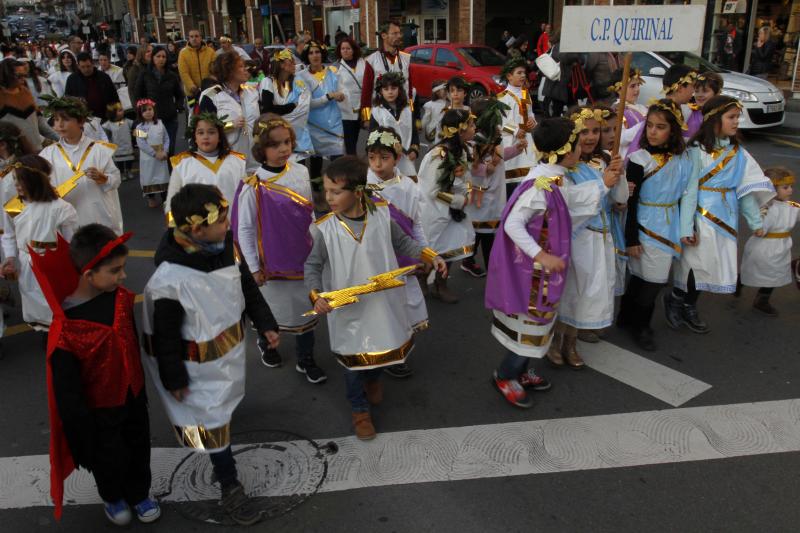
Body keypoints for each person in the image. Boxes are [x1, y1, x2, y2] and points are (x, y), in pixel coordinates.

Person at [142, 183, 279, 526]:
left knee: (222, 413)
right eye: (221, 220)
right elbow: (166, 335)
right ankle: (229, 484)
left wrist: (265, 323)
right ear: (196, 229)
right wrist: (173, 377)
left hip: (226, 359)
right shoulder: (169, 280)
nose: (228, 225)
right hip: (197, 370)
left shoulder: (224, 247)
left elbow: (245, 285)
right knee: (214, 424)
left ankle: (224, 462)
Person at [304, 156, 446, 440]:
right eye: (327, 191)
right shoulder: (325, 228)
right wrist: (316, 295)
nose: (328, 197)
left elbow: (403, 242)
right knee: (352, 358)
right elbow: (313, 265)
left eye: (335, 191)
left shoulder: (381, 215)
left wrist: (431, 254)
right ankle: (359, 411)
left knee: (381, 346)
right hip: (348, 308)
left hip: (382, 302)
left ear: (357, 192)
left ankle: (373, 378)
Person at [30, 223, 160, 525]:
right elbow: (68, 392)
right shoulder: (67, 329)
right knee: (108, 457)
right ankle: (113, 496)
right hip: (99, 410)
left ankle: (140, 492)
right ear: (88, 275)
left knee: (139, 446)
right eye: (115, 270)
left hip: (132, 395)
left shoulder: (121, 298)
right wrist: (80, 435)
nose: (123, 276)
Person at [486, 117, 615, 408]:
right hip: (530, 276)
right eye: (578, 143)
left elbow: (569, 202)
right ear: (566, 150)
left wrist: (603, 186)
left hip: (542, 277)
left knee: (542, 326)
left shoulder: (555, 177)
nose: (583, 147)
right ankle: (506, 374)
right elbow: (513, 224)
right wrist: (540, 255)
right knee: (529, 329)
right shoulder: (540, 186)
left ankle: (524, 370)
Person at [666, 96, 775, 333]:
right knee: (693, 265)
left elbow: (744, 190)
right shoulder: (695, 151)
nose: (737, 121)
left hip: (725, 218)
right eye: (731, 117)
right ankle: (676, 299)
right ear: (714, 119)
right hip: (699, 217)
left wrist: (755, 221)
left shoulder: (738, 153)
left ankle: (690, 304)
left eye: (737, 117)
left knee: (711, 264)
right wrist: (686, 227)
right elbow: (689, 191)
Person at [232, 118, 324, 380]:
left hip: (303, 257)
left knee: (307, 309)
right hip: (270, 264)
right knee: (273, 311)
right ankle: (267, 343)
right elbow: (246, 229)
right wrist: (252, 267)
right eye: (275, 145)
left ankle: (306, 359)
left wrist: (319, 245)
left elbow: (309, 213)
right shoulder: (253, 184)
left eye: (287, 142)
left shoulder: (301, 172)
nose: (283, 148)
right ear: (261, 149)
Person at [551, 107, 625, 368]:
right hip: (579, 239)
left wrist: (619, 174)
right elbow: (570, 204)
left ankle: (571, 344)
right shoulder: (566, 168)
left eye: (596, 131)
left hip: (602, 239)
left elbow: (619, 199)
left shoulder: (602, 161)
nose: (591, 137)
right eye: (584, 132)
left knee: (589, 296)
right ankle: (555, 341)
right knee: (572, 292)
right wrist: (602, 183)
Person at [616, 99, 690, 351]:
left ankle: (626, 318)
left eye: (661, 127)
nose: (653, 132)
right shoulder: (639, 159)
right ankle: (641, 326)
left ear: (673, 131)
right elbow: (631, 200)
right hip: (645, 223)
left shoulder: (683, 158)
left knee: (642, 277)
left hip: (670, 222)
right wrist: (632, 238)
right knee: (652, 279)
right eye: (650, 126)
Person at [366, 126, 428, 379]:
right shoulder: (361, 186)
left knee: (403, 305)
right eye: (372, 158)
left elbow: (417, 223)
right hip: (373, 259)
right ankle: (381, 350)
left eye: (384, 158)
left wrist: (424, 254)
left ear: (397, 158)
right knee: (379, 307)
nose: (377, 164)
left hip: (401, 258)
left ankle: (398, 352)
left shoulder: (409, 188)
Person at [0, 154, 78, 330]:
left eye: (21, 181)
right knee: (34, 299)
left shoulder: (60, 208)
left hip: (54, 263)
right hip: (27, 263)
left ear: (36, 180)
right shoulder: (13, 207)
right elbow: (9, 236)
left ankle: (58, 331)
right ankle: (45, 331)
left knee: (56, 299)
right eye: (14, 180)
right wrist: (11, 257)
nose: (16, 185)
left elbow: (71, 241)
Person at [39, 96, 123, 235]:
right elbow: (42, 185)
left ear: (81, 121)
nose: (59, 125)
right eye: (56, 120)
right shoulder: (47, 154)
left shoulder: (99, 149)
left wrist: (104, 178)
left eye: (65, 119)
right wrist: (48, 191)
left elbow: (116, 179)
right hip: (68, 220)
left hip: (99, 215)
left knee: (102, 252)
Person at [461, 97, 524, 279]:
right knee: (485, 232)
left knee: (484, 231)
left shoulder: (496, 135)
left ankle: (469, 259)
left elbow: (502, 155)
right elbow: (468, 164)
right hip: (481, 192)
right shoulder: (473, 139)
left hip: (496, 190)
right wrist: (484, 169)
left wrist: (518, 149)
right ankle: (493, 273)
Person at [418, 109, 477, 303]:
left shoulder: (462, 149)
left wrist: (467, 192)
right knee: (432, 250)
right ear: (459, 131)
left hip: (454, 212)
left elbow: (466, 178)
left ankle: (440, 286)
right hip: (437, 212)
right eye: (470, 125)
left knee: (451, 247)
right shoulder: (439, 156)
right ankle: (420, 283)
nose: (474, 128)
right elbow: (433, 190)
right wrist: (459, 201)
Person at [739, 167, 799, 316]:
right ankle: (739, 282)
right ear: (771, 189)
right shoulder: (765, 207)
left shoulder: (792, 206)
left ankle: (762, 300)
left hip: (782, 247)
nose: (790, 190)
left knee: (775, 275)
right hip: (763, 247)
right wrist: (760, 225)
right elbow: (759, 227)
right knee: (754, 270)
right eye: (785, 187)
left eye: (791, 187)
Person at [167, 112, 246, 211]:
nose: (206, 137)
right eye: (200, 133)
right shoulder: (182, 163)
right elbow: (172, 198)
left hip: (231, 223)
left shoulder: (236, 161)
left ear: (220, 137)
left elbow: (245, 197)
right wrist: (174, 224)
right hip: (197, 225)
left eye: (211, 132)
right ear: (195, 138)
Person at [199, 52, 260, 172]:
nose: (245, 69)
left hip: (254, 161)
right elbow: (204, 131)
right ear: (229, 71)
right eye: (241, 66)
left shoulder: (251, 93)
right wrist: (231, 124)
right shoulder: (211, 96)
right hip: (226, 162)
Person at [298, 40, 345, 181]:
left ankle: (337, 186)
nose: (314, 55)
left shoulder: (333, 72)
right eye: (311, 53)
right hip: (314, 125)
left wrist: (342, 96)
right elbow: (307, 104)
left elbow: (343, 92)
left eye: (317, 52)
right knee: (316, 161)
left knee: (338, 160)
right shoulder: (301, 76)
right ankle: (317, 191)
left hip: (334, 123)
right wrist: (329, 96)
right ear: (307, 56)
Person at [258, 49, 314, 160]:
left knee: (298, 166)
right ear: (282, 65)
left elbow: (304, 104)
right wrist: (292, 106)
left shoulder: (294, 82)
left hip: (296, 132)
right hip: (276, 132)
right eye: (291, 62)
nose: (294, 65)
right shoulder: (268, 82)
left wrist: (284, 111)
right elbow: (268, 109)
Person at [360, 21, 414, 126]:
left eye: (399, 33)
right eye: (394, 33)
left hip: (403, 112)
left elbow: (409, 89)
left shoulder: (406, 58)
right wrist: (366, 117)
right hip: (381, 113)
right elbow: (366, 90)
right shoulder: (372, 60)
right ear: (384, 35)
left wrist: (412, 111)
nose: (399, 36)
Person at [133, 46, 184, 157]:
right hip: (151, 120)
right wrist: (143, 110)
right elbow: (137, 95)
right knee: (154, 151)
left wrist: (177, 107)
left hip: (170, 119)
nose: (161, 59)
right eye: (158, 56)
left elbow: (180, 95)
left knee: (169, 151)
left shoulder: (172, 76)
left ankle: (171, 173)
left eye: (164, 56)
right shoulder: (145, 74)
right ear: (153, 58)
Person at [497, 57, 537, 197]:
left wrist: (533, 122)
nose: (523, 76)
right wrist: (514, 130)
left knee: (529, 179)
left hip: (527, 141)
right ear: (509, 76)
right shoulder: (502, 97)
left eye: (524, 73)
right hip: (511, 143)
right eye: (519, 73)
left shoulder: (526, 94)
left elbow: (530, 113)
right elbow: (500, 123)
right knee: (512, 181)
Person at [368, 72, 418, 179]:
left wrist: (414, 150)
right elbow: (372, 137)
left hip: (406, 157)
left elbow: (414, 133)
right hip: (385, 159)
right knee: (386, 189)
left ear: (399, 89)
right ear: (381, 91)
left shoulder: (407, 109)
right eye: (386, 89)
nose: (390, 92)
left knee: (408, 188)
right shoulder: (377, 111)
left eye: (393, 88)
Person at [0, 60, 57, 152]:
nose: (23, 79)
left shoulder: (25, 92)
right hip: (13, 156)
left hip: (37, 150)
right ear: (6, 75)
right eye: (19, 76)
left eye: (24, 75)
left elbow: (41, 124)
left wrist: (61, 140)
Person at [134, 99, 170, 208]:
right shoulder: (139, 127)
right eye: (144, 111)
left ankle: (165, 199)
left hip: (161, 155)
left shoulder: (160, 123)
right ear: (140, 114)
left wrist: (165, 151)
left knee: (163, 177)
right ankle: (151, 197)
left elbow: (166, 138)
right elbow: (141, 143)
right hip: (148, 158)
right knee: (149, 177)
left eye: (150, 109)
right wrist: (154, 154)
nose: (148, 112)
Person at [65, 52, 120, 121]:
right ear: (78, 66)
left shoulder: (104, 77)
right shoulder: (72, 79)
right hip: (83, 119)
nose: (86, 70)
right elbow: (67, 98)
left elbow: (114, 97)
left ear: (93, 64)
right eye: (83, 67)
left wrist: (117, 113)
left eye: (88, 66)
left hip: (105, 117)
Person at [335, 37, 365, 156]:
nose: (345, 51)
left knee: (359, 137)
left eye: (348, 48)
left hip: (363, 107)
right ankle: (352, 165)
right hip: (346, 110)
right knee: (350, 142)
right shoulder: (337, 68)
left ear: (353, 50)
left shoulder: (363, 63)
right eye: (343, 49)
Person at [177, 30, 215, 106]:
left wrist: (210, 86)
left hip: (209, 91)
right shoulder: (183, 53)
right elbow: (183, 73)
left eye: (196, 36)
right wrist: (193, 88)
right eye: (191, 37)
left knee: (210, 114)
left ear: (201, 38)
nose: (194, 39)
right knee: (193, 115)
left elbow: (214, 70)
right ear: (189, 39)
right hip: (192, 93)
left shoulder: (210, 52)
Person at [102, 103, 135, 182]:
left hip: (127, 146)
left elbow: (134, 131)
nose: (123, 111)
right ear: (113, 113)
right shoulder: (109, 124)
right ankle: (122, 173)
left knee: (129, 160)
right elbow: (106, 136)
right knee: (119, 162)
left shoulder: (126, 121)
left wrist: (144, 135)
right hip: (117, 148)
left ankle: (129, 170)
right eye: (120, 110)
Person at [687, 71, 723, 139]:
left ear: (718, 93)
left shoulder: (722, 115)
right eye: (696, 91)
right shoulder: (688, 112)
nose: (699, 95)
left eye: (705, 91)